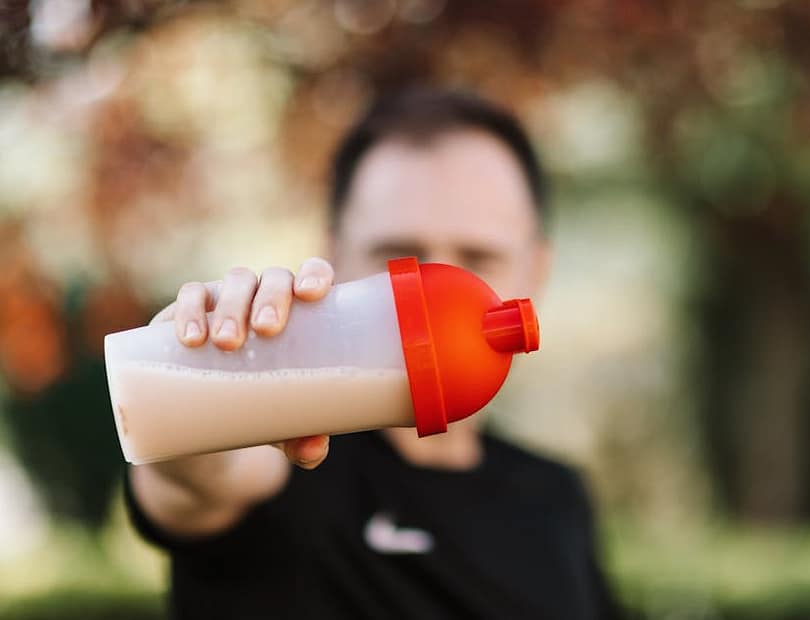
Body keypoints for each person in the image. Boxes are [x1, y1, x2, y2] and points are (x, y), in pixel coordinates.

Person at [126, 88, 626, 619]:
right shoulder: (283, 450)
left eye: (478, 256)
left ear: (535, 274)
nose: (438, 291)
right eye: (399, 255)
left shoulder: (554, 498)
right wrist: (197, 372)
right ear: (332, 255)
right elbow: (201, 475)